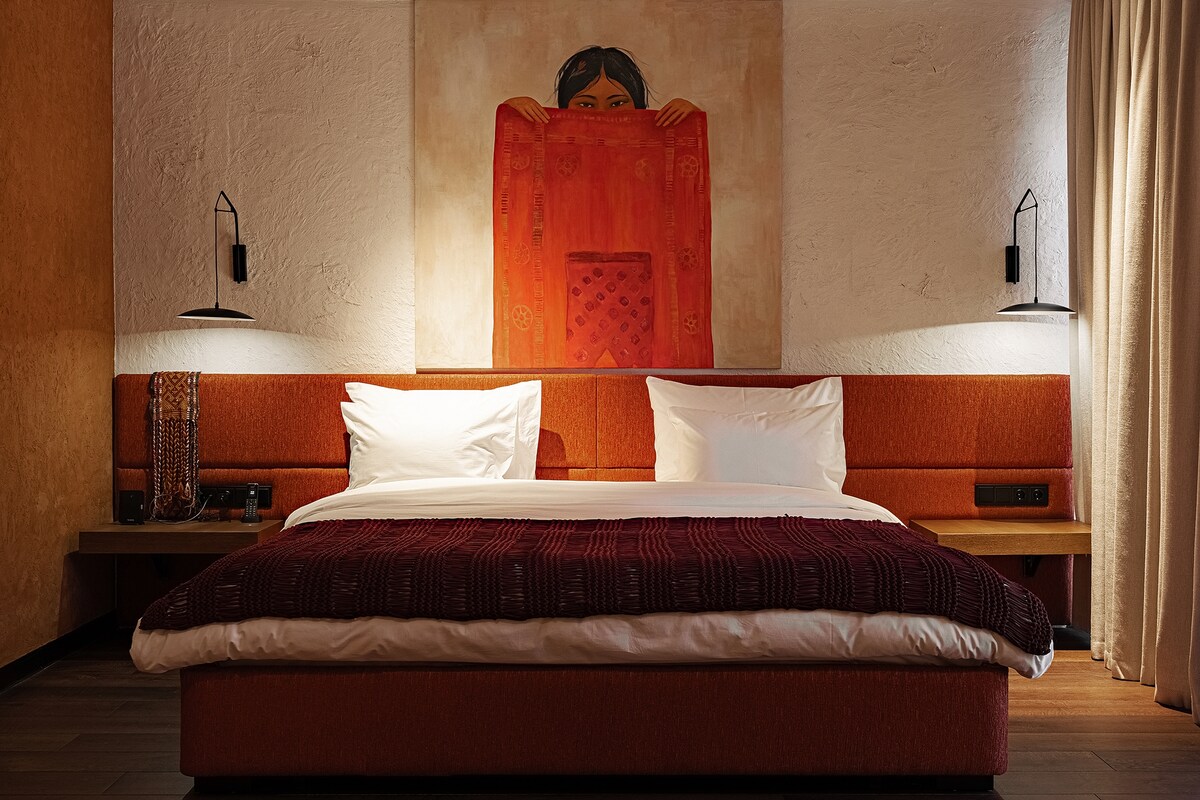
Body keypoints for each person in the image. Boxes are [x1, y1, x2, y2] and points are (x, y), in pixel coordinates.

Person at [504, 45, 699, 127]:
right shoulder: (550, 145)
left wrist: (692, 119)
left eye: (617, 103)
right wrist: (512, 111)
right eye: (586, 104)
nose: (602, 115)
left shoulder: (658, 142)